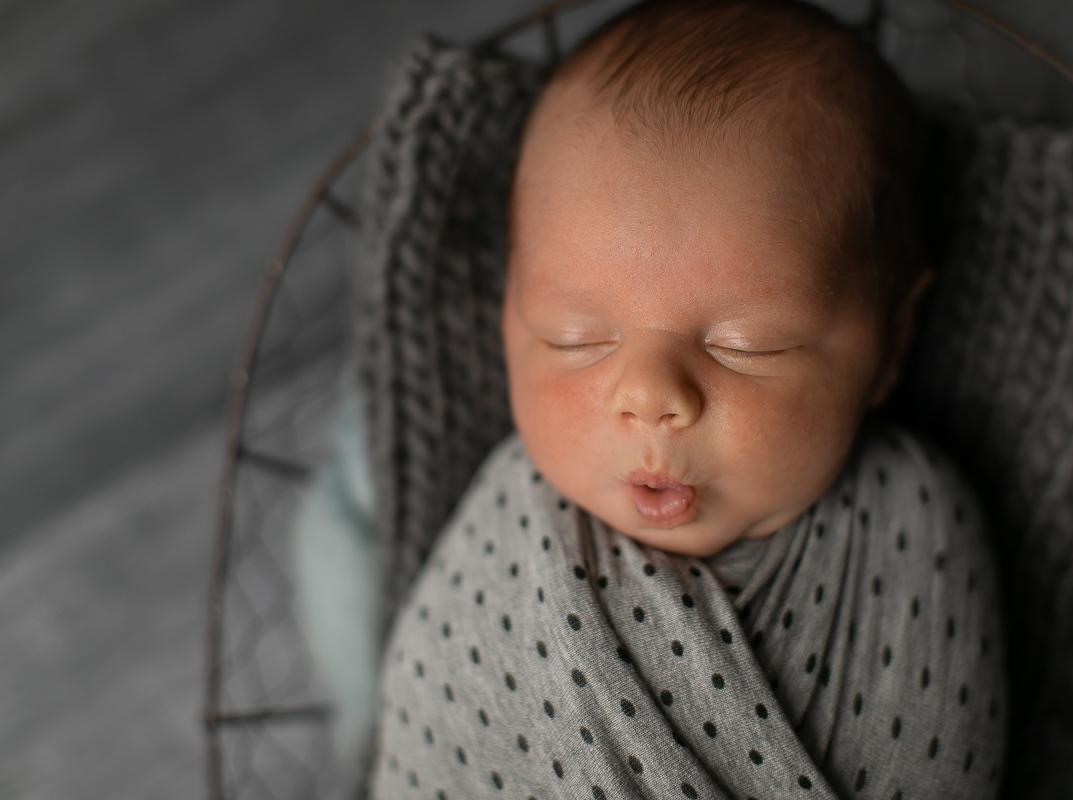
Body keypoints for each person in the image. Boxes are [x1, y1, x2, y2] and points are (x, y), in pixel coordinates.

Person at [373, 1, 1006, 797]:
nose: (650, 397)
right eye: (575, 337)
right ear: (508, 319)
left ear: (892, 343)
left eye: (749, 345)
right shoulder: (506, 524)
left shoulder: (919, 518)